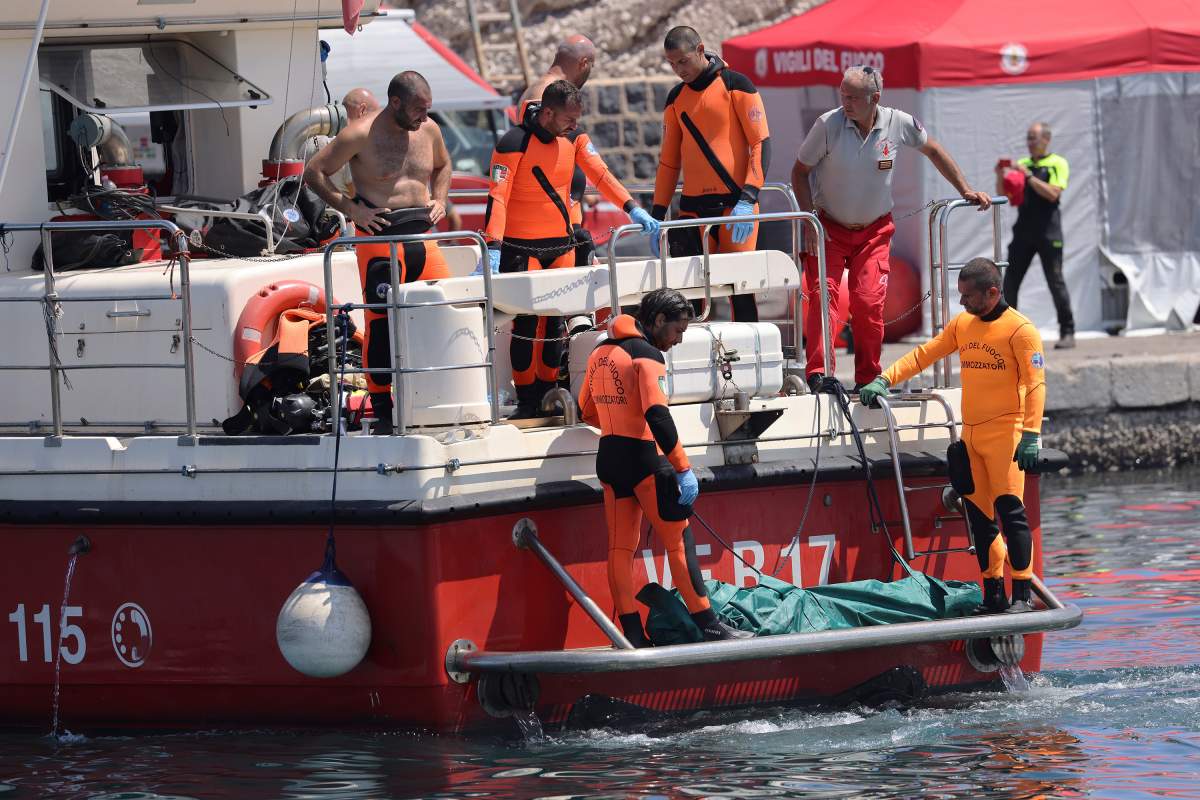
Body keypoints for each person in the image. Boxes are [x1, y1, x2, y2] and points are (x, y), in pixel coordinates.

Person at [859, 258, 1045, 614]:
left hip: (1007, 435)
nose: (962, 303)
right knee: (979, 517)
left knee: (1011, 512)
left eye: (968, 296)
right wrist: (885, 379)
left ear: (992, 293)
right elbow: (925, 354)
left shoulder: (1021, 331)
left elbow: (1036, 384)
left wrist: (1031, 434)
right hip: (972, 434)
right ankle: (993, 594)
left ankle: (1022, 595)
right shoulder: (963, 325)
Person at [791, 66, 991, 394]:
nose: (846, 102)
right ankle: (819, 375)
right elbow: (799, 172)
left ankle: (868, 380)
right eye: (843, 94)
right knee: (822, 297)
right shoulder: (827, 125)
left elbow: (934, 151)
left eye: (853, 97)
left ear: (875, 99)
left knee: (869, 303)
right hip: (828, 229)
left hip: (874, 231)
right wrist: (809, 218)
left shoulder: (899, 123)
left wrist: (965, 190)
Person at [578, 288, 752, 645]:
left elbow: (586, 408)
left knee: (620, 549)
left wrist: (618, 422)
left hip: (609, 458)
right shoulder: (647, 355)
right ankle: (709, 625)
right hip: (645, 460)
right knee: (678, 542)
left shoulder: (598, 352)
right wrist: (684, 468)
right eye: (677, 331)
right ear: (658, 321)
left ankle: (630, 633)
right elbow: (657, 414)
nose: (678, 339)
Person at [485, 79, 659, 418]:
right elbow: (498, 195)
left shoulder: (575, 139)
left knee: (553, 323)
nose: (575, 125)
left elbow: (602, 175)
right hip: (521, 249)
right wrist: (493, 245)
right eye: (569, 118)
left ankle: (550, 390)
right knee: (525, 324)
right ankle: (526, 397)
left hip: (561, 246)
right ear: (548, 112)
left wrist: (632, 207)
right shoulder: (513, 142)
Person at [304, 71, 452, 434]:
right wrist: (352, 209)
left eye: (428, 109)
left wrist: (441, 198)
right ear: (396, 103)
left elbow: (444, 165)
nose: (424, 116)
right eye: (419, 109)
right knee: (381, 324)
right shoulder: (360, 134)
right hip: (380, 238)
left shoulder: (428, 129)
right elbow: (315, 172)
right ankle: (383, 408)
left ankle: (440, 393)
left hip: (422, 236)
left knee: (447, 310)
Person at [652, 26, 770, 322]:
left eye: (683, 61)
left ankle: (747, 362)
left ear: (701, 49)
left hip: (735, 206)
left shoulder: (736, 84)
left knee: (740, 290)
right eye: (671, 64)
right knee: (687, 298)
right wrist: (657, 214)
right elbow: (668, 162)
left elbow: (761, 143)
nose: (679, 69)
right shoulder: (675, 99)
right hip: (692, 211)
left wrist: (749, 197)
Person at [518, 35, 599, 266]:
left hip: (560, 219)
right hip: (553, 224)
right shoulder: (546, 94)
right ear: (584, 63)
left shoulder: (538, 90)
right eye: (591, 66)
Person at [996, 122, 1075, 349]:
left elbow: (1053, 193)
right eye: (1028, 138)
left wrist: (1029, 177)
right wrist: (1000, 175)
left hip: (1049, 233)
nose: (1030, 143)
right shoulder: (1023, 165)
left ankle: (1067, 331)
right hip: (1023, 232)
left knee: (1056, 282)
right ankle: (1007, 334)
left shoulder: (1058, 163)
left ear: (1046, 139)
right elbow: (1006, 196)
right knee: (1009, 282)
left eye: (1034, 138)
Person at [301, 88, 381, 196]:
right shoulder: (354, 147)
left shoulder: (309, 141)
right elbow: (360, 196)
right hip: (343, 211)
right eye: (374, 117)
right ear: (362, 110)